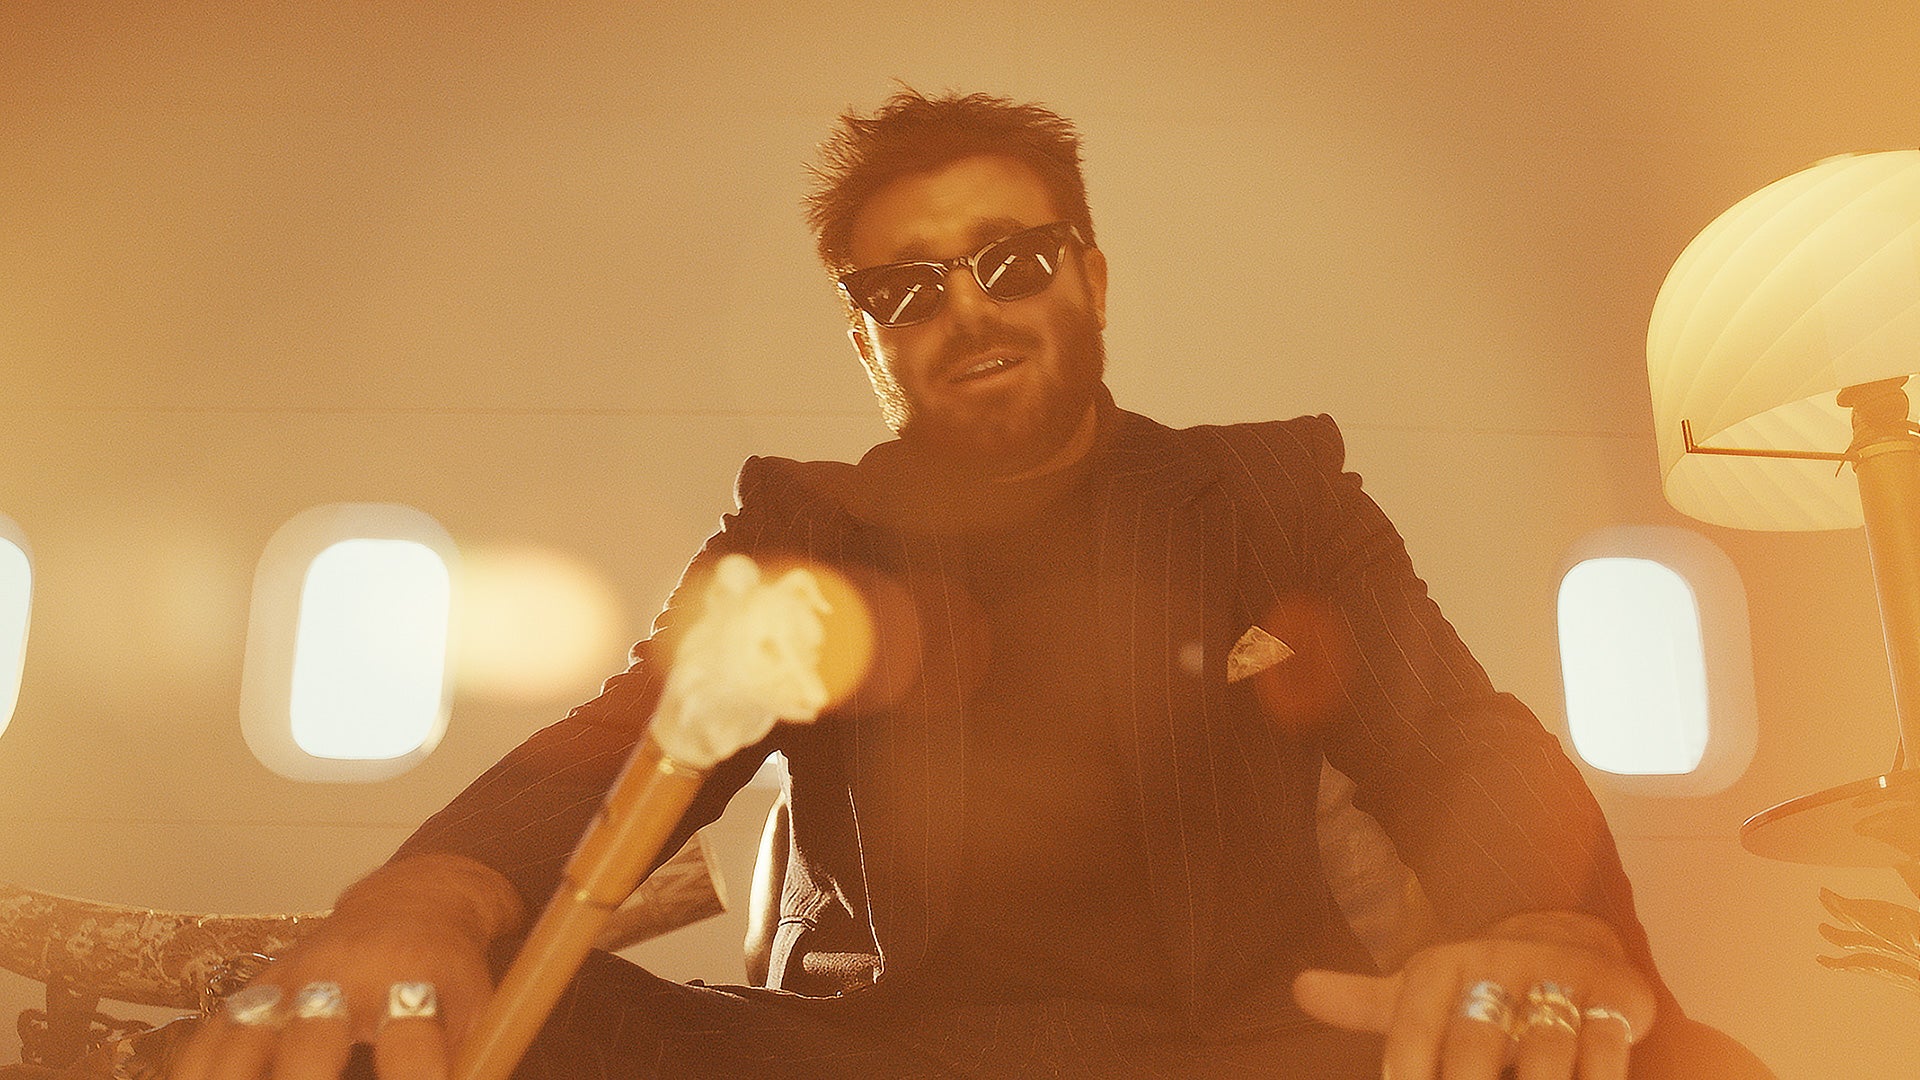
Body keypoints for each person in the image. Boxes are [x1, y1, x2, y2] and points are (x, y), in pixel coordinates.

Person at [173, 90, 1759, 1080]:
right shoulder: (805, 527)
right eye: (907, 289)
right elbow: (626, 743)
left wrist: (1541, 923)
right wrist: (425, 899)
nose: (969, 314)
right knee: (412, 1025)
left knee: (1655, 1060)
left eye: (1012, 262)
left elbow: (1458, 743)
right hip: (884, 1059)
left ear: (1092, 278)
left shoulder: (1275, 494)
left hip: (1250, 1049)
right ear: (865, 339)